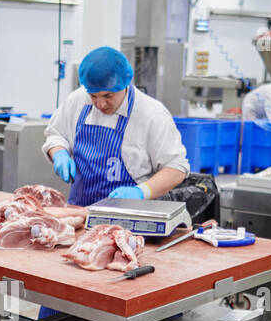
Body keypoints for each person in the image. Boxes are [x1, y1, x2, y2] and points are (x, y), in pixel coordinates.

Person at [43, 46, 189, 206]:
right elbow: (56, 135)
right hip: (80, 211)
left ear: (124, 84)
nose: (100, 103)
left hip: (129, 217)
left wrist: (141, 192)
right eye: (93, 96)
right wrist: (59, 154)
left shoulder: (151, 114)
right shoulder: (77, 99)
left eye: (108, 95)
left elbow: (176, 168)